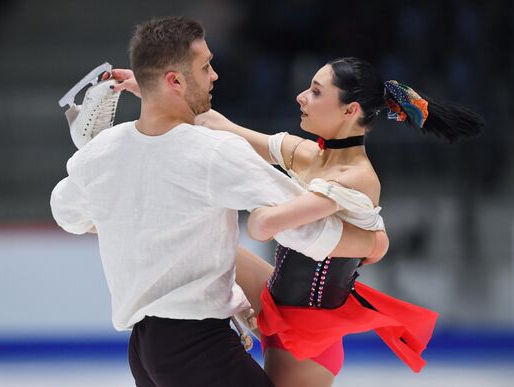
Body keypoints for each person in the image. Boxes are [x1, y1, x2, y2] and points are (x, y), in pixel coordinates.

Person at [50, 18, 386, 387]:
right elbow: (305, 231)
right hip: (197, 348)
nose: (214, 76)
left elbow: (66, 212)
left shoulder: (102, 154)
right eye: (205, 66)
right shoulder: (215, 155)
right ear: (175, 81)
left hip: (145, 352)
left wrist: (121, 205)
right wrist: (371, 241)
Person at [193, 57, 484, 386]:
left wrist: (370, 240)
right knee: (206, 246)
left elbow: (262, 227)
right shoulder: (310, 155)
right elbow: (220, 126)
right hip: (279, 306)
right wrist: (151, 88)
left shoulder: (355, 178)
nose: (301, 97)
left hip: (308, 342)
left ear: (350, 110)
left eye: (316, 92)